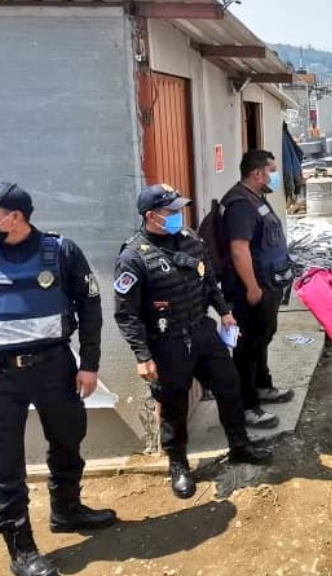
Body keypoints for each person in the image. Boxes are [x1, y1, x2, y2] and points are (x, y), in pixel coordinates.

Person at [115, 184, 272, 500]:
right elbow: (126, 315)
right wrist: (142, 355)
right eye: (170, 211)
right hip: (166, 341)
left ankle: (239, 445)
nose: (177, 215)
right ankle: (178, 465)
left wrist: (225, 312)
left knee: (229, 385)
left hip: (202, 330)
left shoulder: (191, 241)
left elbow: (209, 281)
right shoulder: (133, 257)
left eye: (178, 209)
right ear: (151, 216)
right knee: (173, 404)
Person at [0, 183, 116, 576]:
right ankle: (23, 551)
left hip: (54, 366)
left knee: (68, 438)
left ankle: (66, 510)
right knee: (5, 466)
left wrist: (91, 363)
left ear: (13, 216)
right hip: (2, 376)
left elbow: (90, 306)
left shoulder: (60, 251)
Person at [220, 150, 296, 431]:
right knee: (247, 347)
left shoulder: (255, 198)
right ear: (257, 173)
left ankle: (263, 386)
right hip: (249, 291)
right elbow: (239, 249)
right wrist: (252, 287)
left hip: (267, 286)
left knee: (261, 339)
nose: (275, 175)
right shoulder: (240, 204)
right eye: (272, 170)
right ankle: (247, 405)